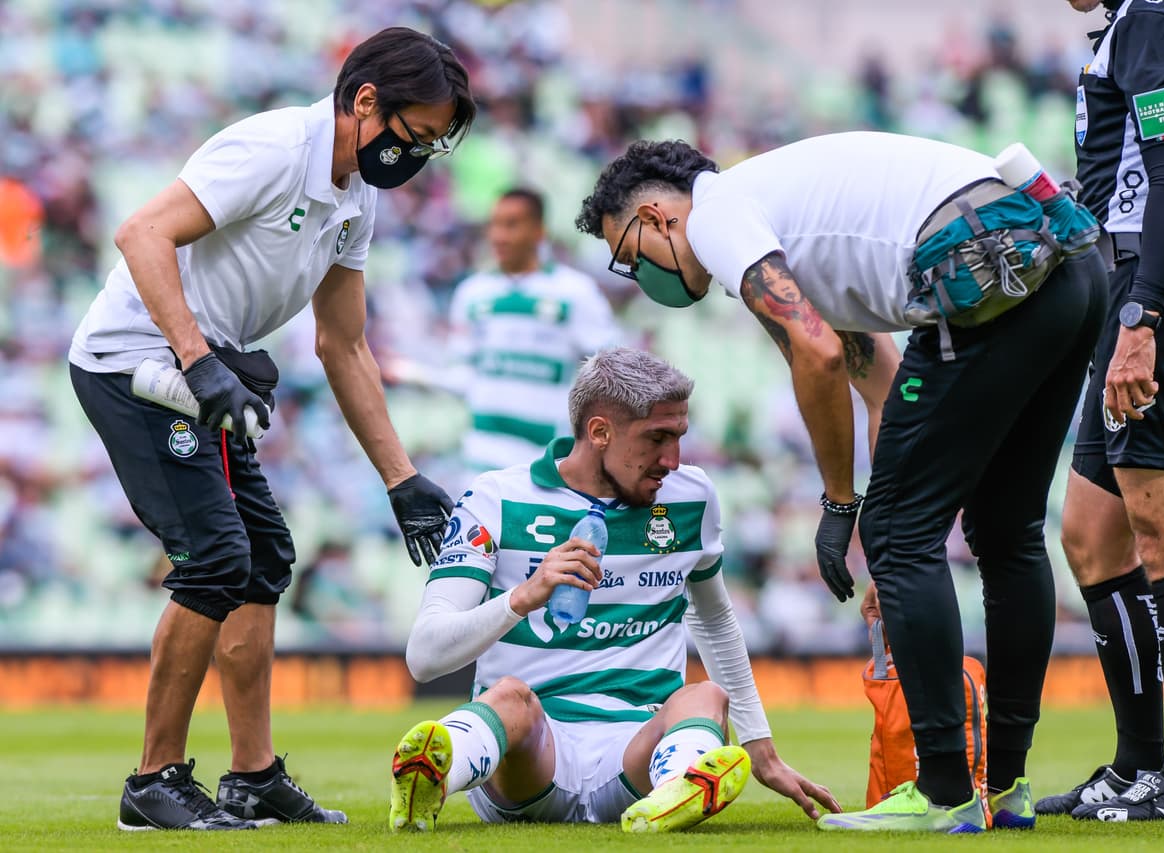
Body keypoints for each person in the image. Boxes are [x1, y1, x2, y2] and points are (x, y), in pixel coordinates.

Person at [576, 133, 1107, 832]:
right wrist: (890, 536)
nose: (639, 273)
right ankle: (1004, 787)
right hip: (1067, 271)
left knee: (900, 530)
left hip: (982, 264)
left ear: (652, 217)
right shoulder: (776, 213)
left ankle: (947, 790)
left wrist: (846, 505)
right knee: (1004, 531)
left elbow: (819, 354)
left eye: (627, 253)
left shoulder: (714, 215)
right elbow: (878, 384)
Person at [68, 27, 475, 831]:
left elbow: (344, 343)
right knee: (216, 555)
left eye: (432, 144)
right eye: (416, 135)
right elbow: (141, 233)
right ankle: (152, 780)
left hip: (199, 379)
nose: (418, 156)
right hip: (132, 363)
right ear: (365, 102)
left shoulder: (355, 196)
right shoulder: (271, 148)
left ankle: (251, 777)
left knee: (262, 558)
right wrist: (198, 357)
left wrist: (401, 478)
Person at [389, 347, 839, 833]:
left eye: (679, 437)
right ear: (600, 431)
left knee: (705, 696)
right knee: (509, 698)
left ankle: (674, 792)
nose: (672, 459)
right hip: (533, 752)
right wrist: (522, 597)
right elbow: (424, 656)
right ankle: (432, 775)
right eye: (657, 438)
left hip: (638, 751)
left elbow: (714, 620)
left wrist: (762, 750)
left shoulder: (692, 497)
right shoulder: (498, 498)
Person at [1038, 0, 1164, 823]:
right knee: (1091, 534)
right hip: (1139, 285)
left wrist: (1141, 320)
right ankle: (1135, 766)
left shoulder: (1154, 17)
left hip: (1159, 294)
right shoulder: (1145, 19)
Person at [448, 187, 618, 473]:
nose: (498, 236)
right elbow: (462, 374)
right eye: (495, 225)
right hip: (480, 461)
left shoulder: (575, 292)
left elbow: (609, 368)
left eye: (511, 225)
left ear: (539, 231)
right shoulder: (471, 293)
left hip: (545, 460)